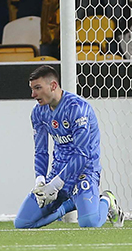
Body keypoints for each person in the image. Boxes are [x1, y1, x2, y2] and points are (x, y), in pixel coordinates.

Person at [14, 65, 124, 230]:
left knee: (89, 223)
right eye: (32, 89)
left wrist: (55, 185)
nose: (33, 95)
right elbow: (41, 151)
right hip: (57, 172)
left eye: (37, 88)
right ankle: (69, 203)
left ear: (53, 86)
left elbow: (82, 154)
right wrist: (41, 181)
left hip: (83, 172)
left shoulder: (77, 109)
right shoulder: (38, 113)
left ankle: (106, 200)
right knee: (22, 223)